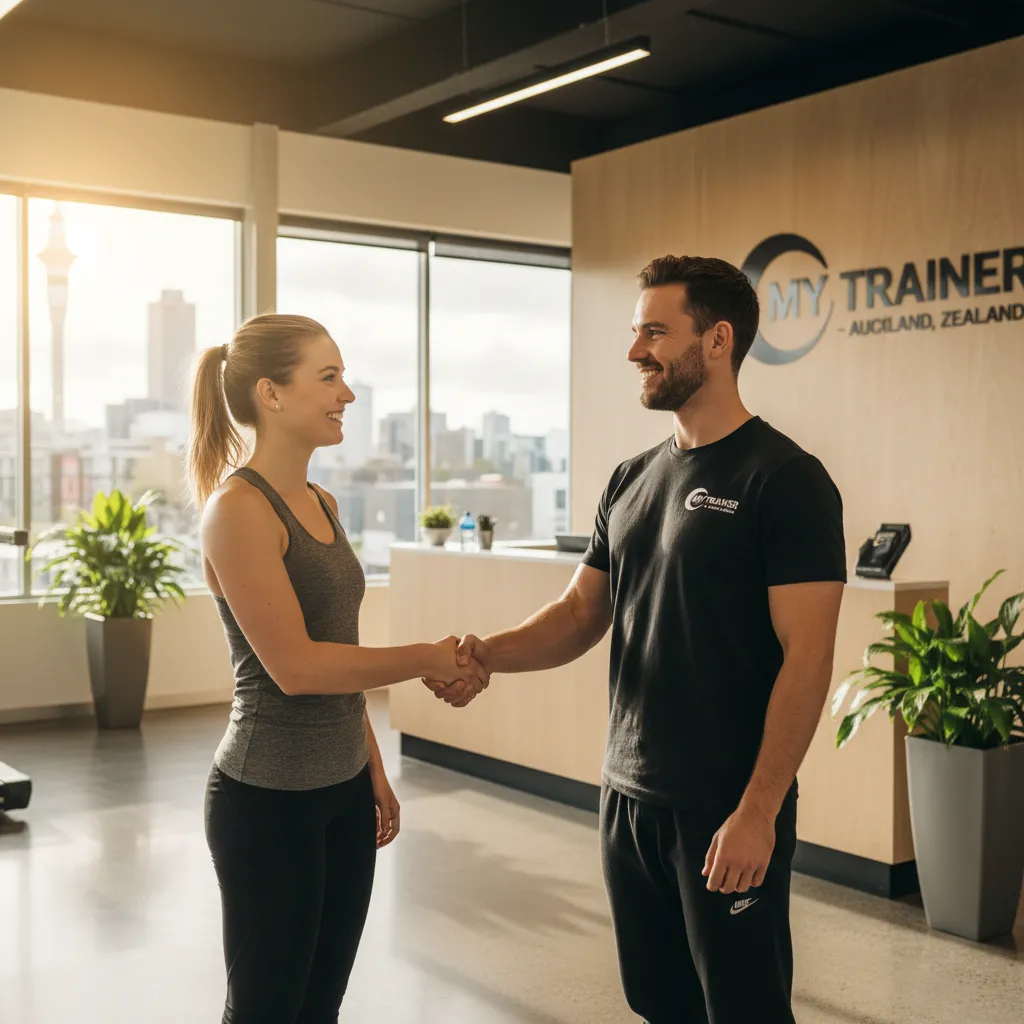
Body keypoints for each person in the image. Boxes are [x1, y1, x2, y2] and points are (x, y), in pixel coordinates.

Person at [426, 257, 846, 1023]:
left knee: (743, 1007)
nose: (634, 351)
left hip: (725, 806)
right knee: (659, 1002)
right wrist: (487, 652)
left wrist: (760, 809)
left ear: (717, 341)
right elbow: (581, 614)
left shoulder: (785, 480)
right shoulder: (630, 478)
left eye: (655, 331)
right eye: (634, 331)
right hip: (628, 794)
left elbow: (808, 658)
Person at [189, 313, 488, 1024]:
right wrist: (423, 658)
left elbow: (337, 646)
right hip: (267, 801)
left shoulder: (320, 502)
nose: (346, 394)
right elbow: (295, 667)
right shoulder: (238, 510)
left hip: (342, 792)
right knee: (267, 1008)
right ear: (271, 393)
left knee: (320, 1006)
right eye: (328, 378)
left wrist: (370, 766)